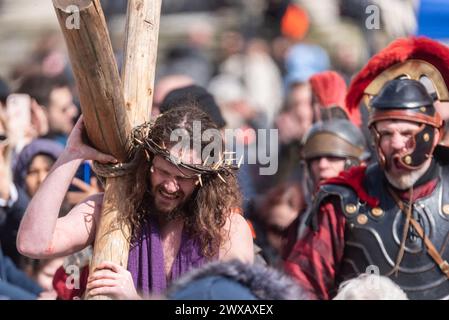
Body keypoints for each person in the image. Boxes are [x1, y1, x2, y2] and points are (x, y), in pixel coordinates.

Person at [17, 104, 254, 299]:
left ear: (204, 178)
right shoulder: (111, 210)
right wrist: (72, 154)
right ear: (147, 162)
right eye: (163, 172)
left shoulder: (228, 229)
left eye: (183, 178)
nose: (170, 187)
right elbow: (33, 244)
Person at [284, 36, 449, 300]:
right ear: (374, 137)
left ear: (433, 134)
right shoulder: (343, 200)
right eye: (386, 133)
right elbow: (301, 286)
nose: (396, 143)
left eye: (407, 133)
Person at [16, 74, 78, 146]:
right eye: (64, 109)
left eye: (72, 104)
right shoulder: (36, 152)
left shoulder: (66, 139)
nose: (74, 112)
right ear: (40, 112)